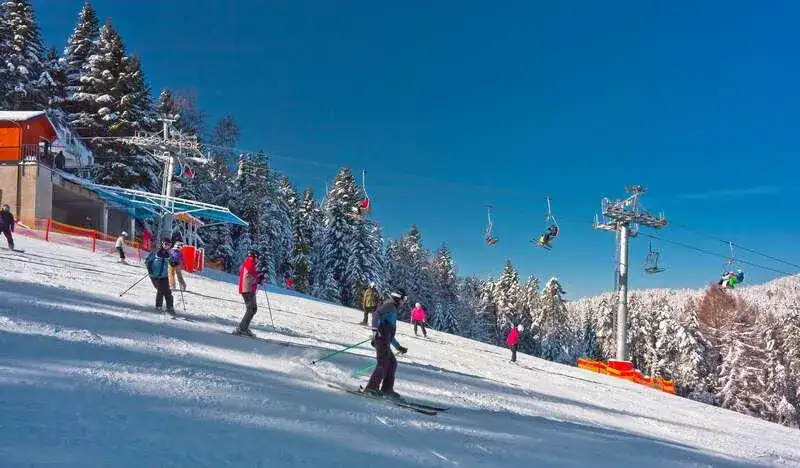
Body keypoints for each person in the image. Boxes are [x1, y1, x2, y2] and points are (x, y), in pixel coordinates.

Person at [364, 287, 408, 398]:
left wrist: (398, 347)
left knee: (392, 363)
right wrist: (374, 329)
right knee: (383, 363)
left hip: (385, 339)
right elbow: (376, 314)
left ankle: (387, 389)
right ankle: (371, 388)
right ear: (398, 298)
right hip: (380, 339)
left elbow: (390, 334)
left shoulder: (392, 308)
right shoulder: (389, 305)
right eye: (404, 299)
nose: (404, 302)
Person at [235, 250, 264, 337]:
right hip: (248, 290)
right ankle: (242, 329)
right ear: (255, 256)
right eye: (258, 257)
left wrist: (259, 277)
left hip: (248, 289)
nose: (258, 260)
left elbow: (250, 275)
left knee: (252, 309)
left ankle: (244, 328)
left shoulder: (249, 263)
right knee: (251, 309)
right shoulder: (250, 264)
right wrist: (258, 280)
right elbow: (248, 278)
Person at [145, 238, 176, 316]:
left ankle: (170, 307)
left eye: (169, 245)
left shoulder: (169, 254)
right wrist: (150, 269)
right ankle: (158, 306)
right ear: (162, 244)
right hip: (154, 275)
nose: (167, 246)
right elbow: (148, 261)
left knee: (167, 291)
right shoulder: (156, 252)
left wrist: (173, 263)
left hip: (164, 276)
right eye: (165, 244)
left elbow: (172, 262)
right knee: (161, 289)